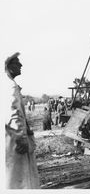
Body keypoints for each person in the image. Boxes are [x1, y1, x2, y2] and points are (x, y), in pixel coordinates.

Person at [4, 52, 40, 189]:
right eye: (17, 62)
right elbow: (15, 114)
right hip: (15, 140)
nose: (21, 65)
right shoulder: (11, 86)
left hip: (8, 137)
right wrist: (22, 138)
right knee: (20, 179)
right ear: (9, 66)